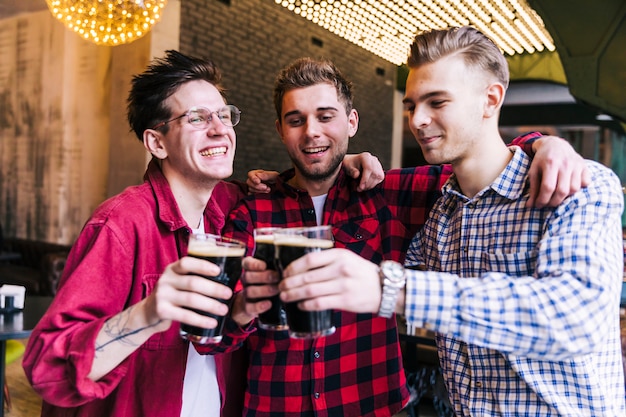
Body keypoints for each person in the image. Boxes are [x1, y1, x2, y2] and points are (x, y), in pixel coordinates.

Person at [20, 49, 390, 417]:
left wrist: (345, 163)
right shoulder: (122, 223)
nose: (220, 129)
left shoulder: (236, 206)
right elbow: (47, 369)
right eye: (196, 118)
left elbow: (303, 182)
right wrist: (147, 314)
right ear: (157, 143)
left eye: (224, 115)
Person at [278, 27, 626, 416]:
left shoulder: (581, 184)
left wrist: (392, 289)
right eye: (411, 105)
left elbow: (576, 321)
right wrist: (303, 173)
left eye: (437, 102)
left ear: (490, 99)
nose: (418, 120)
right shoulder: (441, 211)